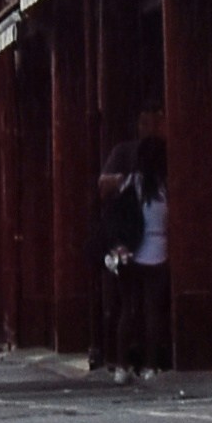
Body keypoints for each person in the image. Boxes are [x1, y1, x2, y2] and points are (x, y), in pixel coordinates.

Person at [88, 132, 142, 369]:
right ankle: (128, 362)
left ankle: (124, 363)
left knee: (130, 305)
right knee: (134, 304)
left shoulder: (131, 188)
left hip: (127, 250)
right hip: (132, 250)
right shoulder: (132, 185)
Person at [131, 134, 170, 372]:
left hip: (137, 251)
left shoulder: (134, 184)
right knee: (157, 310)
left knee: (137, 309)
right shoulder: (166, 185)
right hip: (162, 249)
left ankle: (139, 361)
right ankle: (155, 362)